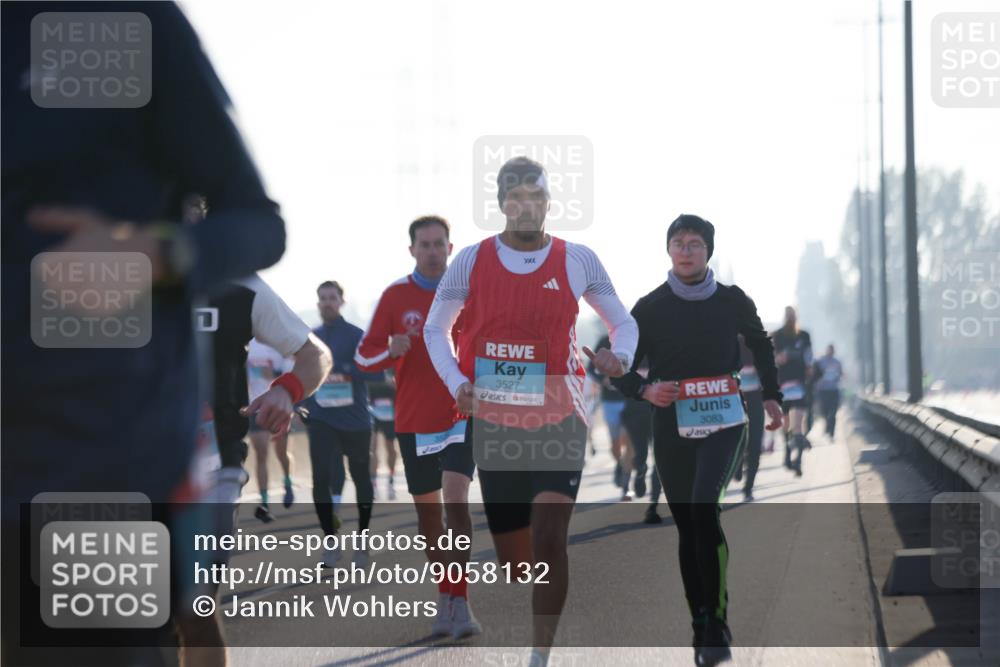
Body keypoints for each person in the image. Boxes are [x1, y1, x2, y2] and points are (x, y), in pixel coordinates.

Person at [2, 4, 286, 664]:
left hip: (89, 463)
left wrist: (154, 255)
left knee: (186, 623)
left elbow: (258, 224)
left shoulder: (131, 23)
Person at [424, 156, 638, 665]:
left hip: (560, 414)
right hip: (495, 420)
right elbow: (436, 329)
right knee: (517, 562)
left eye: (534, 197)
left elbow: (622, 322)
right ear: (501, 205)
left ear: (547, 202)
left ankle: (540, 654)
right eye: (513, 198)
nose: (524, 206)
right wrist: (457, 382)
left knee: (550, 536)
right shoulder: (472, 260)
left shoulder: (577, 259)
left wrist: (619, 356)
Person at [612, 214, 783, 667]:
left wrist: (771, 396)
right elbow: (621, 366)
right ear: (668, 250)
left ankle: (719, 621)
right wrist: (645, 389)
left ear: (708, 251)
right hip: (671, 421)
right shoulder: (649, 307)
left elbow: (761, 343)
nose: (686, 250)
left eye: (695, 243)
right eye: (678, 243)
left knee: (706, 506)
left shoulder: (731, 300)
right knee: (689, 524)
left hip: (727, 418)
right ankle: (700, 621)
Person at [181, 275, 331, 666]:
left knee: (192, 604)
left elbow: (315, 355)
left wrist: (288, 389)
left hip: (212, 467)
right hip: (123, 467)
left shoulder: (239, 280)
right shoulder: (103, 265)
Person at [354, 216, 480, 639]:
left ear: (450, 247)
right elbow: (363, 358)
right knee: (429, 518)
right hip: (414, 420)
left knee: (456, 500)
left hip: (461, 414)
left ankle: (459, 599)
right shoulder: (395, 296)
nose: (431, 250)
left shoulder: (469, 293)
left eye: (438, 243)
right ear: (412, 250)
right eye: (423, 244)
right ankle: (446, 594)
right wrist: (390, 350)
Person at [301, 281, 381, 567]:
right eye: (322, 298)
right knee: (320, 479)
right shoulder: (311, 338)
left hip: (356, 421)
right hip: (322, 419)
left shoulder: (358, 336)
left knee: (360, 478)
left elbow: (376, 374)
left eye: (332, 298)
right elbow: (303, 376)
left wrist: (345, 370)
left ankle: (362, 539)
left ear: (341, 302)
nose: (327, 303)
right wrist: (302, 405)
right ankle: (330, 542)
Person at [246, 339, 297, 522]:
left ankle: (288, 481)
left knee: (281, 452)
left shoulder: (278, 342)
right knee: (261, 454)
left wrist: (274, 373)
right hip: (255, 406)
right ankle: (265, 503)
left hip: (277, 406)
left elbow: (290, 373)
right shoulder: (246, 344)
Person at [772, 306, 813, 476]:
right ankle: (788, 454)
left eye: (793, 315)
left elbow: (809, 358)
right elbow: (772, 358)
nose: (791, 318)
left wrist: (809, 370)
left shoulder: (804, 335)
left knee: (798, 424)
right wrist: (780, 358)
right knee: (787, 424)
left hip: (800, 385)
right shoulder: (777, 335)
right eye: (788, 315)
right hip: (784, 386)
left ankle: (798, 460)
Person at [588, 333, 631, 496]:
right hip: (609, 401)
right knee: (615, 442)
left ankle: (626, 481)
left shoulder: (632, 339)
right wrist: (602, 379)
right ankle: (619, 465)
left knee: (628, 440)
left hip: (628, 400)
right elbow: (591, 369)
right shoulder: (603, 341)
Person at [731, 335, 765, 502]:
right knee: (736, 438)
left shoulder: (760, 342)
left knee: (755, 442)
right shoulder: (728, 340)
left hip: (756, 399)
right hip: (734, 399)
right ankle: (737, 466)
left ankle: (749, 485)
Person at [366, 375, 399, 500]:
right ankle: (374, 485)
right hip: (372, 411)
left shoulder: (392, 360)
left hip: (390, 413)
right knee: (372, 448)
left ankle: (391, 482)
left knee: (390, 448)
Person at [814, 344, 844, 439]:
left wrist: (837, 377)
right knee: (824, 410)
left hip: (834, 389)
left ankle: (832, 431)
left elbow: (840, 373)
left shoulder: (837, 362)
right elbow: (816, 373)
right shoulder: (821, 361)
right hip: (823, 390)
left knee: (833, 411)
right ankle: (827, 424)